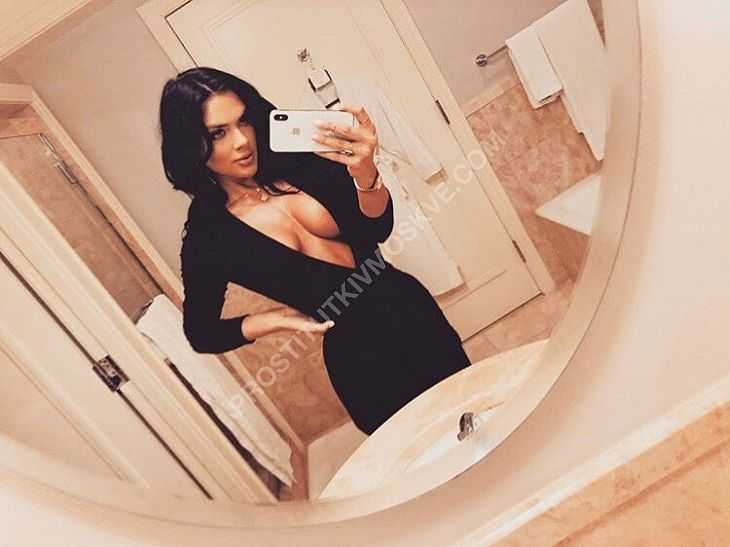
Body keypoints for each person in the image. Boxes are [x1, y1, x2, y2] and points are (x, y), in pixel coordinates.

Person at [159, 67, 471, 435]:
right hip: (357, 355)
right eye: (218, 133)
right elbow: (201, 332)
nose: (242, 141)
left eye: (244, 121)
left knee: (472, 414)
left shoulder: (301, 162)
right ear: (190, 145)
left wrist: (366, 175)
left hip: (410, 310)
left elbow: (377, 229)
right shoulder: (208, 235)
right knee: (415, 450)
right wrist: (277, 319)